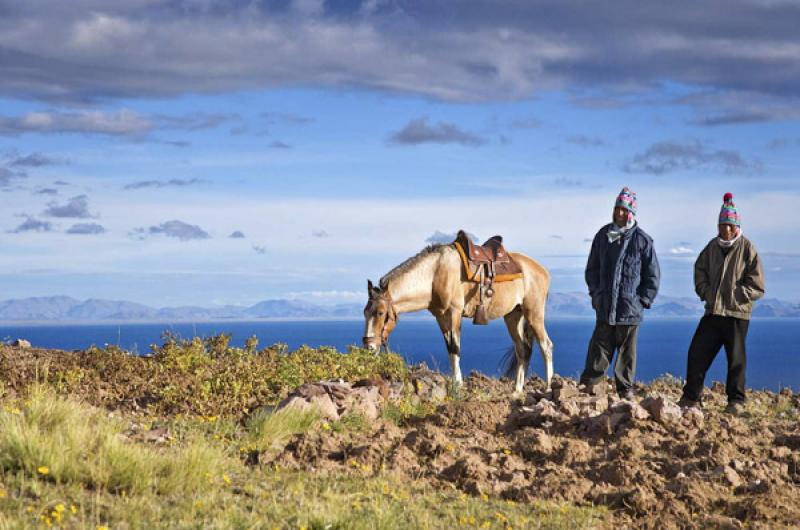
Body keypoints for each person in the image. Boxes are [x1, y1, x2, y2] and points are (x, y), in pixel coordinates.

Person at [678, 193, 765, 413]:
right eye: (722, 224)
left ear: (736, 226)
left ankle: (736, 401)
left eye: (730, 225)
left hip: (737, 315)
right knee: (697, 353)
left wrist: (737, 295)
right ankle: (691, 398)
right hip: (713, 312)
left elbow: (757, 286)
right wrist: (706, 292)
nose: (726, 229)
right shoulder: (711, 248)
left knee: (736, 360)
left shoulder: (747, 249)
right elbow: (699, 271)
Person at [580, 187, 660, 399]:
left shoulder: (643, 241)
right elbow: (592, 269)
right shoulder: (603, 236)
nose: (620, 214)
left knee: (626, 355)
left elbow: (652, 276)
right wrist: (596, 295)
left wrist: (641, 301)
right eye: (617, 209)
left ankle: (625, 390)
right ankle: (589, 387)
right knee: (598, 349)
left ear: (632, 212)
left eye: (624, 210)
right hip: (605, 306)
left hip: (629, 310)